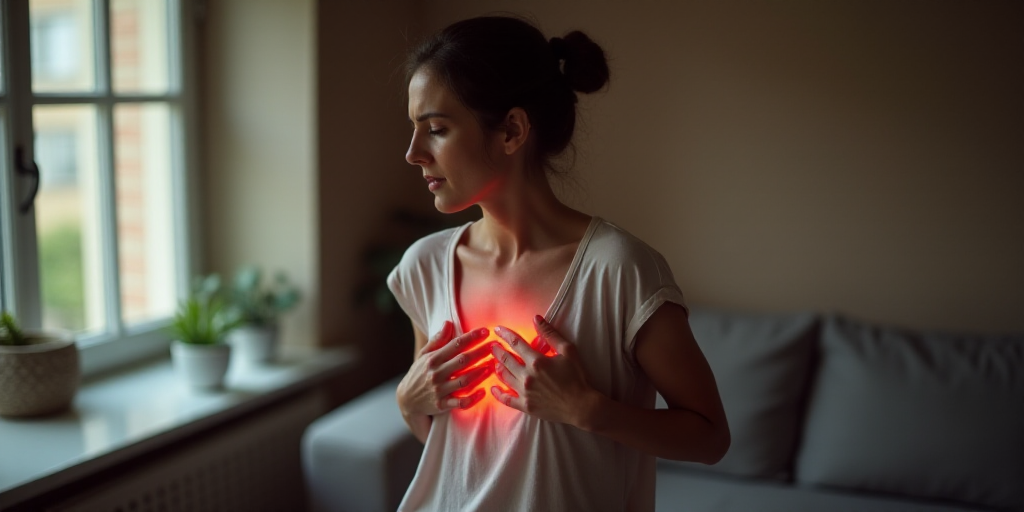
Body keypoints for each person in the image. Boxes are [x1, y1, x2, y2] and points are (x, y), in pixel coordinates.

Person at [388, 16, 730, 512]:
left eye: (436, 129)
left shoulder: (620, 270)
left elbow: (711, 437)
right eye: (414, 130)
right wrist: (408, 401)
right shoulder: (425, 266)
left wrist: (589, 410)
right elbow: (448, 445)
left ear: (511, 130)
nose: (413, 153)